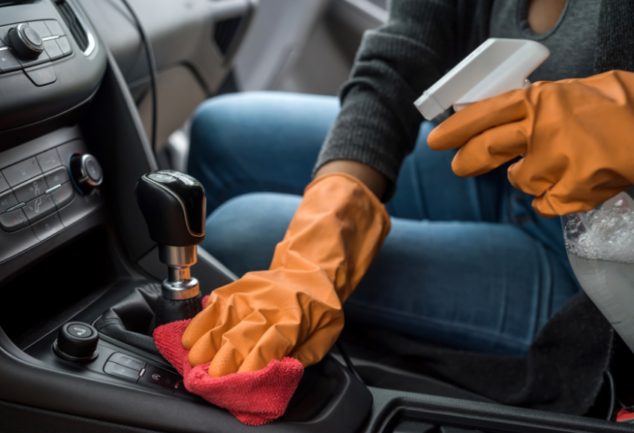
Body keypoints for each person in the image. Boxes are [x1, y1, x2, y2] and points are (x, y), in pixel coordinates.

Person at [179, 0, 634, 378]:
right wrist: (331, 225)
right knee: (219, 130)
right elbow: (404, 51)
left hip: (601, 263)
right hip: (504, 174)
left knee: (239, 232)